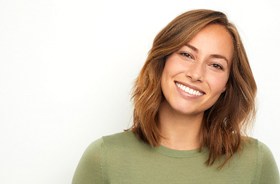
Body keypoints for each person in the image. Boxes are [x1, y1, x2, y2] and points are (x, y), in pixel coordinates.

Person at [72, 9, 279, 183]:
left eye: (216, 65)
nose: (196, 74)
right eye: (186, 54)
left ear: (227, 84)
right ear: (162, 60)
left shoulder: (256, 163)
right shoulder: (104, 158)